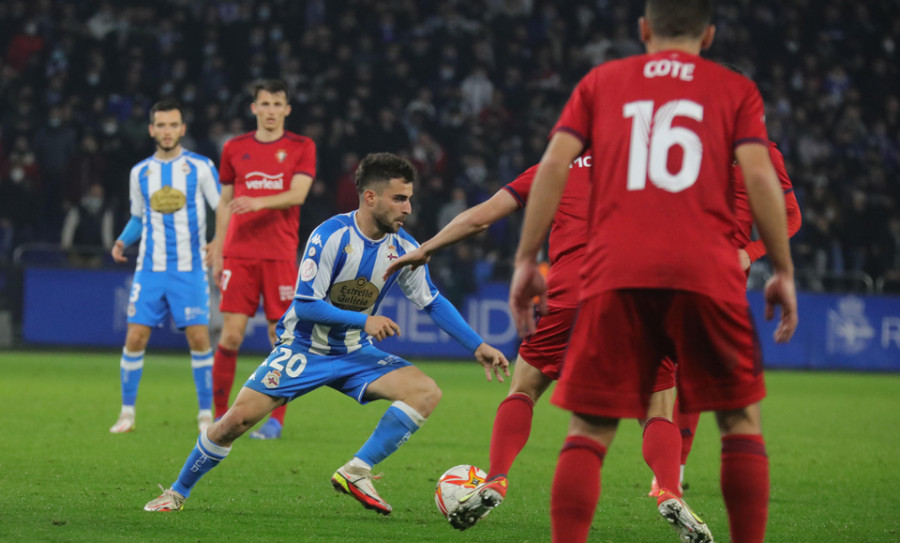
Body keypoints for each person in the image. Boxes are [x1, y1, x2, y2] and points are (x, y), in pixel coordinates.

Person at [509, 2, 798, 543]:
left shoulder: (604, 82)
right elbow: (761, 177)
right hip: (707, 270)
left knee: (589, 428)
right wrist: (777, 266)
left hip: (618, 271)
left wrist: (527, 260)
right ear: (708, 35)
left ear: (643, 30)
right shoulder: (734, 91)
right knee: (738, 421)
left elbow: (552, 166)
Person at [143, 152, 510, 515]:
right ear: (371, 197)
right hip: (305, 349)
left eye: (409, 199)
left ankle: (356, 471)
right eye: (399, 198)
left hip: (354, 353)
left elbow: (432, 302)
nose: (408, 208)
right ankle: (176, 492)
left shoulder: (405, 247)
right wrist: (363, 320)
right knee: (233, 423)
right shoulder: (331, 236)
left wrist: (477, 345)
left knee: (425, 392)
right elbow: (305, 304)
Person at [384, 155, 688, 532]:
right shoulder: (654, 167)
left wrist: (428, 246)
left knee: (525, 387)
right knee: (658, 405)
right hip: (642, 298)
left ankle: (496, 478)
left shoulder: (557, 167)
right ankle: (670, 491)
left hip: (572, 294)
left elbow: (482, 217)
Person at [653, 138, 803, 497]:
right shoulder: (684, 139)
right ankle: (668, 472)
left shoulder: (763, 152)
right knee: (669, 368)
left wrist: (751, 253)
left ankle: (672, 473)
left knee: (697, 374)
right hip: (673, 266)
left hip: (723, 276)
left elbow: (791, 216)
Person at [207, 79, 317, 440]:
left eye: (278, 104)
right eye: (264, 104)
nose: (271, 110)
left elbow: (298, 194)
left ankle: (274, 421)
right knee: (232, 335)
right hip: (240, 253)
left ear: (287, 109)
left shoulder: (302, 146)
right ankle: (221, 416)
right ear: (253, 108)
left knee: (281, 337)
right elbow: (225, 202)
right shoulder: (235, 148)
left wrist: (257, 201)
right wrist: (218, 246)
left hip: (280, 254)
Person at [109, 99, 221, 435]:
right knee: (135, 337)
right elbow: (139, 217)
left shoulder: (200, 166)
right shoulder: (140, 172)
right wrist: (121, 240)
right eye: (161, 125)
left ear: (182, 129)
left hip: (189, 270)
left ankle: (205, 415)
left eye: (173, 125)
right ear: (151, 130)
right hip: (150, 269)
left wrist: (220, 242)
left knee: (200, 339)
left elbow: (223, 208)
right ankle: (127, 413)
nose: (167, 131)